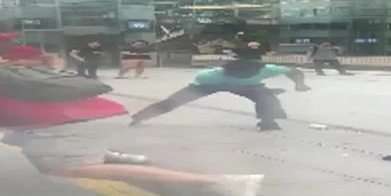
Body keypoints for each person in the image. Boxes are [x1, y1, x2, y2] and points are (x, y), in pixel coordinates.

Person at [0, 53, 264, 196]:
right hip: (102, 115)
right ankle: (117, 156)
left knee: (60, 167)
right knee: (24, 141)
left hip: (74, 126)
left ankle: (220, 182)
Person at [129, 49, 311, 131]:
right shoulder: (209, 76)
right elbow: (177, 99)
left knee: (266, 98)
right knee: (173, 102)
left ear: (258, 70)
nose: (240, 75)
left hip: (248, 86)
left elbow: (295, 71)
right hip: (214, 85)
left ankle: (268, 121)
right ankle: (140, 116)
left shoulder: (267, 68)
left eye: (245, 73)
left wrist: (299, 85)